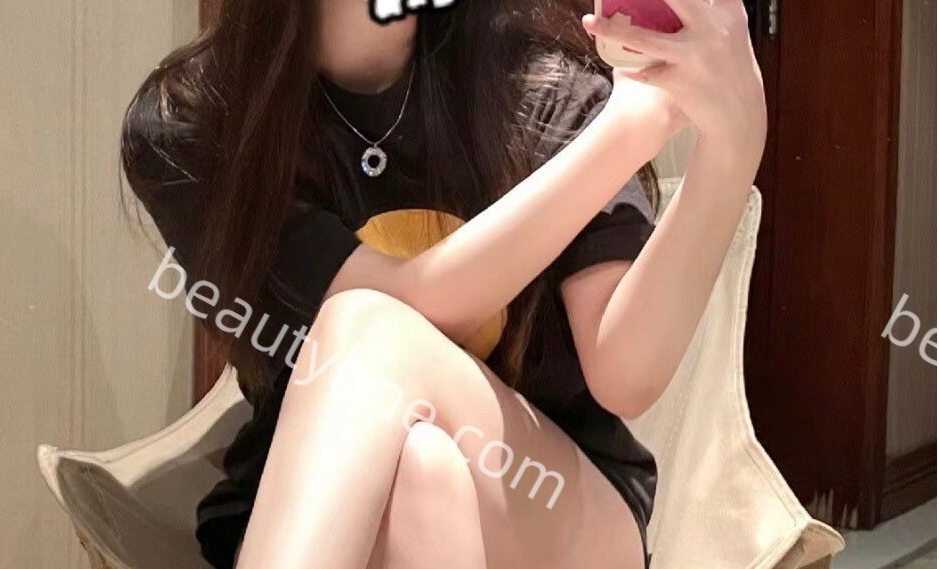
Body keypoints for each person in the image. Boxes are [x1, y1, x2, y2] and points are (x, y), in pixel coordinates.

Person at [120, 0, 766, 567]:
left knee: (365, 331)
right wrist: (628, 132)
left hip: (552, 499)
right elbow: (405, 311)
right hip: (323, 504)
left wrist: (732, 146)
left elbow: (626, 374)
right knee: (421, 467)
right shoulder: (198, 124)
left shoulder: (536, 80)